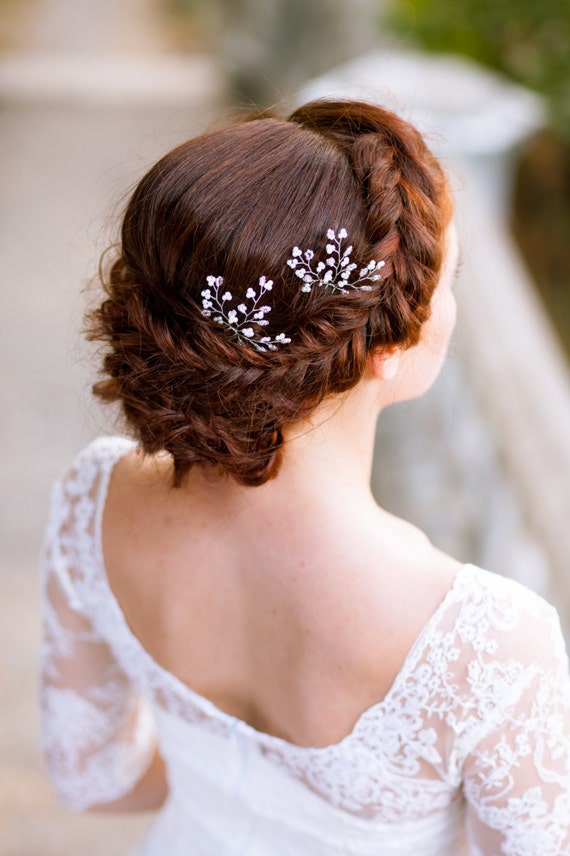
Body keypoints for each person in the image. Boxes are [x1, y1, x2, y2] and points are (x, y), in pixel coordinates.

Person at [40, 99, 570, 855]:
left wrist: (224, 788)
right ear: (386, 344)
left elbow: (92, 778)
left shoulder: (95, 501)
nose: (450, 305)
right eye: (450, 280)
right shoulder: (489, 642)